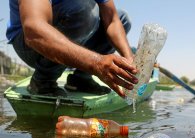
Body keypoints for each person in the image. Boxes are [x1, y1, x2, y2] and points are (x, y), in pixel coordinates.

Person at [6, 0, 138, 98]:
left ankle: (81, 79)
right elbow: (33, 30)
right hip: (29, 43)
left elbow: (113, 20)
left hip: (71, 28)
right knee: (85, 10)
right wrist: (95, 62)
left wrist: (130, 60)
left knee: (122, 18)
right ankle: (43, 81)